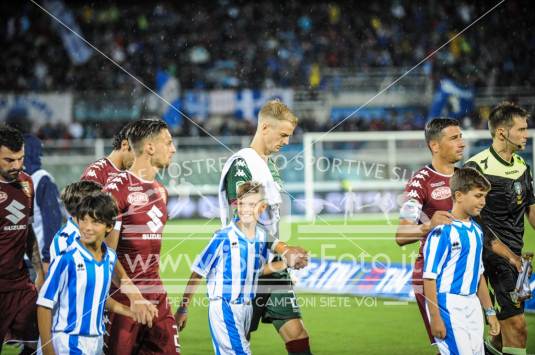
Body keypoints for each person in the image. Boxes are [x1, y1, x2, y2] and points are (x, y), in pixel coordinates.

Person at [217, 100, 311, 355]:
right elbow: (244, 220)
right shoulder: (242, 164)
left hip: (271, 265)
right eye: (283, 135)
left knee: (297, 333)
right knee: (239, 341)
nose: (287, 142)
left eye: (289, 136)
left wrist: (284, 252)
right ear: (265, 127)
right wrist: (284, 248)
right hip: (245, 267)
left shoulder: (268, 164)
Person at [176, 181, 288, 354]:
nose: (245, 209)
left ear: (262, 207)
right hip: (224, 307)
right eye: (242, 203)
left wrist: (287, 263)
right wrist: (183, 308)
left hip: (247, 309)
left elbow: (255, 271)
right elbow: (197, 273)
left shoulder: (260, 236)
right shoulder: (223, 237)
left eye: (252, 204)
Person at [104, 118, 180, 354]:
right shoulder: (116, 189)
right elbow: (106, 254)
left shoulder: (161, 191)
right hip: (124, 298)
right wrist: (134, 296)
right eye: (168, 143)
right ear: (149, 147)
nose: (173, 149)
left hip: (156, 296)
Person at [464, 102, 534, 355]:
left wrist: (517, 257)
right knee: (517, 326)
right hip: (488, 256)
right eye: (522, 129)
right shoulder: (476, 167)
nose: (527, 134)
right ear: (502, 132)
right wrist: (509, 256)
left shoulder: (522, 167)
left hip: (517, 259)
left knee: (503, 331)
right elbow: (471, 218)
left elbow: (531, 210)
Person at [395, 117, 466, 347]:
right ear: (434, 145)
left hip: (467, 272)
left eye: (461, 137)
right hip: (435, 275)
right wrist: (429, 225)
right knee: (448, 346)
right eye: (454, 138)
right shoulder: (420, 182)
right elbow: (401, 235)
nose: (462, 143)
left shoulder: (467, 178)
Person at [36, 193, 136, 354]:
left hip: (96, 342)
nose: (87, 227)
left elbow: (98, 297)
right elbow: (43, 304)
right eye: (83, 220)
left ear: (109, 227)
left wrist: (131, 312)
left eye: (95, 222)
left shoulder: (110, 258)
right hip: (68, 342)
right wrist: (48, 349)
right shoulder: (67, 259)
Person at [423, 167, 499, 354]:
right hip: (448, 304)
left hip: (472, 304)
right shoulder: (443, 231)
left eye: (484, 196)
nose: (483, 202)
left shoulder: (476, 231)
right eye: (478, 196)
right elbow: (429, 278)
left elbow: (478, 274)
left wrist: (490, 312)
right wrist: (435, 317)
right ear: (458, 195)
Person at [0, 124, 43, 354]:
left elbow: (27, 228)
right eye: (9, 160)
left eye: (20, 158)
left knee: (33, 342)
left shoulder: (27, 183)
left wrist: (39, 270)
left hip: (20, 284)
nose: (17, 165)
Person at [23, 134, 62, 273]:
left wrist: (47, 258)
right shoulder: (41, 179)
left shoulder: (41, 180)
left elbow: (51, 222)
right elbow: (53, 220)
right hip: (23, 261)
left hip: (33, 262)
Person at [80, 121, 135, 185]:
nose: (140, 159)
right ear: (124, 145)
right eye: (138, 152)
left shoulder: (136, 173)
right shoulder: (96, 172)